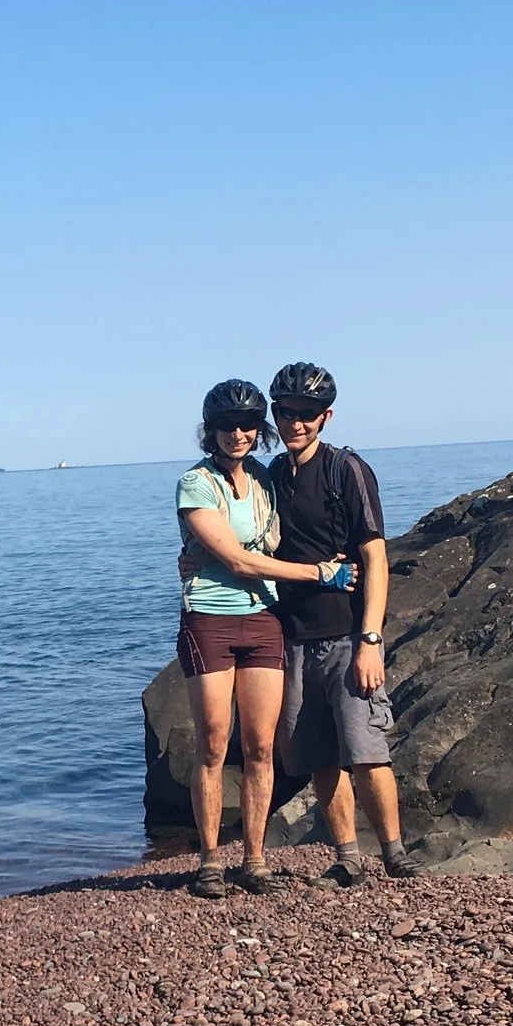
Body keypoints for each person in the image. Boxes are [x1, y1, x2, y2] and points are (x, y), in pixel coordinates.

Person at [176, 379, 356, 901]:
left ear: (260, 430)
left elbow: (291, 532)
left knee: (260, 748)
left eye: (249, 424)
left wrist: (341, 557)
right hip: (209, 619)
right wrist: (319, 574)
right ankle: (211, 862)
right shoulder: (195, 483)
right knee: (213, 745)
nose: (239, 433)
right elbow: (235, 558)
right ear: (209, 431)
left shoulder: (265, 478)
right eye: (227, 425)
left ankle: (254, 860)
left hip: (263, 620)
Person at [264, 361, 423, 887]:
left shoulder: (345, 470)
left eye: (307, 414)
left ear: (325, 416)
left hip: (347, 637)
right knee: (319, 758)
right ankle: (348, 857)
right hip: (291, 640)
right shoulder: (272, 479)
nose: (296, 423)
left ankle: (396, 854)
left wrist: (371, 639)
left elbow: (375, 556)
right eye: (286, 412)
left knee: (367, 752)